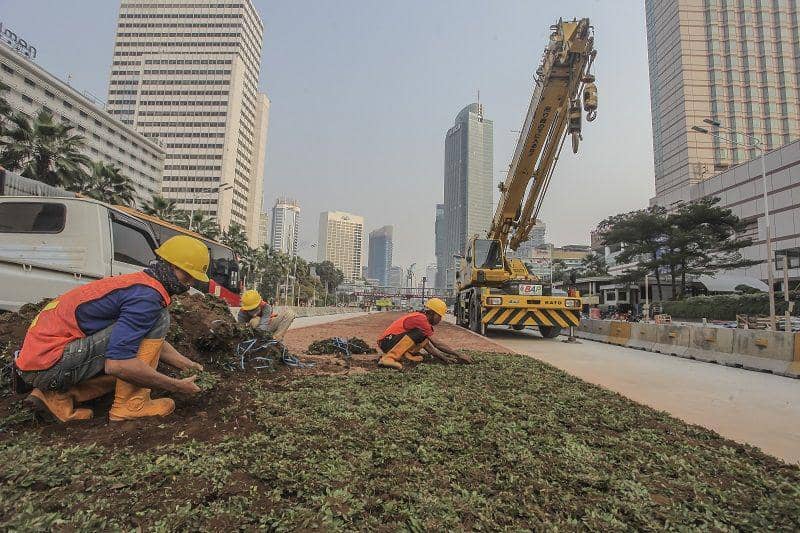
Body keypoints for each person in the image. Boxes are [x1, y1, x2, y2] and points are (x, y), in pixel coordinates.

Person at [16, 235, 208, 423]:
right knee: (138, 352)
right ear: (172, 266)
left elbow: (145, 338)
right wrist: (176, 385)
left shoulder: (141, 284)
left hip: (40, 360)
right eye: (187, 276)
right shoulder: (146, 298)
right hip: (49, 365)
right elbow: (117, 365)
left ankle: (55, 396)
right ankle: (131, 405)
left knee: (145, 339)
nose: (189, 284)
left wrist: (188, 365)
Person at [376, 298, 466, 370]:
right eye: (439, 316)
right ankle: (389, 358)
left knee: (422, 337)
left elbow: (427, 346)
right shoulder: (422, 320)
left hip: (389, 342)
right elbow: (437, 344)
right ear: (432, 313)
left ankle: (404, 356)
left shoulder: (421, 318)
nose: (440, 320)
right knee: (418, 334)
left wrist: (444, 358)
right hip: (386, 342)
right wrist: (458, 354)